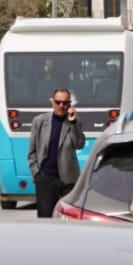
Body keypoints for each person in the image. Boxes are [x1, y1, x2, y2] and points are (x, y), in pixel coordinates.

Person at [27, 88, 85, 219]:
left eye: (65, 103)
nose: (61, 106)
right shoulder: (39, 122)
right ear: (52, 102)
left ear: (69, 104)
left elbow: (79, 144)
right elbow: (32, 151)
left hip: (68, 180)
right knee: (45, 218)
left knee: (69, 218)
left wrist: (73, 123)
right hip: (46, 178)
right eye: (58, 102)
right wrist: (37, 173)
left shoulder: (75, 122)